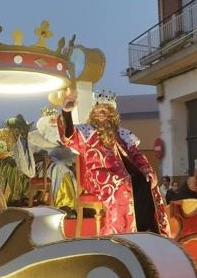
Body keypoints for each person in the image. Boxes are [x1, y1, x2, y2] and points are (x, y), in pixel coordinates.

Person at [57, 89, 169, 236]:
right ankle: (124, 232)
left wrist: (147, 169)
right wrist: (66, 112)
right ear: (93, 111)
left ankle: (145, 229)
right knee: (123, 186)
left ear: (112, 114)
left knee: (145, 181)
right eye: (99, 109)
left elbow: (136, 154)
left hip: (126, 175)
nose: (102, 112)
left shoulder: (123, 134)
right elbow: (69, 136)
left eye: (106, 110)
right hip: (100, 175)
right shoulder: (87, 131)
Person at [28, 106, 77, 216]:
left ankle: (82, 206)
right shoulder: (33, 136)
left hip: (66, 165)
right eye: (52, 120)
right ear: (44, 123)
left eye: (57, 120)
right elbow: (30, 157)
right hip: (44, 167)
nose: (55, 123)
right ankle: (64, 205)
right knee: (60, 167)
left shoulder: (64, 138)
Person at [0, 114, 35, 206]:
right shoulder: (1, 133)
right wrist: (6, 156)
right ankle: (9, 198)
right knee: (12, 168)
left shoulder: (21, 138)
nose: (20, 131)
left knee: (24, 170)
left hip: (15, 160)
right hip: (1, 162)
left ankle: (20, 197)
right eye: (18, 128)